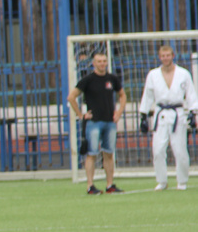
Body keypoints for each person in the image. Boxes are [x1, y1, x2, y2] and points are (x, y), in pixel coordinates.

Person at [139, 44, 198, 191]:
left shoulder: (183, 73)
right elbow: (147, 95)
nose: (165, 58)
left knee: (180, 150)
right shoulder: (153, 75)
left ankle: (182, 181)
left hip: (178, 113)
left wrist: (193, 112)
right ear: (159, 57)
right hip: (161, 114)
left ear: (173, 56)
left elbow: (191, 94)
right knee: (158, 150)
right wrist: (143, 115)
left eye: (168, 55)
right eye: (163, 56)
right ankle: (162, 181)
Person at [68, 52, 127, 194]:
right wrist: (81, 115)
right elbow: (71, 97)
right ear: (94, 63)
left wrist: (119, 112)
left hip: (109, 122)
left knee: (109, 153)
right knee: (92, 154)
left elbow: (122, 95)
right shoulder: (88, 80)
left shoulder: (112, 79)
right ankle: (90, 185)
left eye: (104, 61)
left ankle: (110, 185)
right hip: (93, 123)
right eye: (99, 61)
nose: (102, 64)